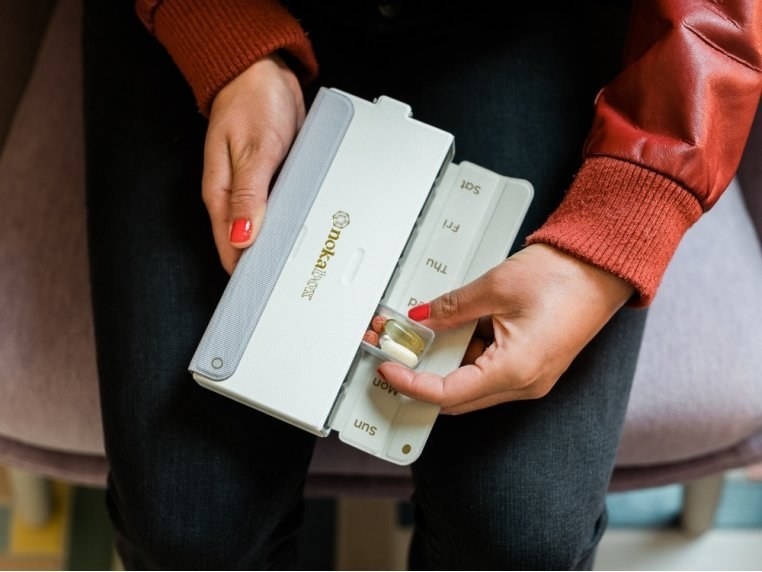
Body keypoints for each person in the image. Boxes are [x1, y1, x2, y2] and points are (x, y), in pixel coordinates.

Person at [82, 0, 762, 569]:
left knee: (518, 534)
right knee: (188, 525)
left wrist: (621, 224)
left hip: (527, 20)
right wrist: (221, 38)